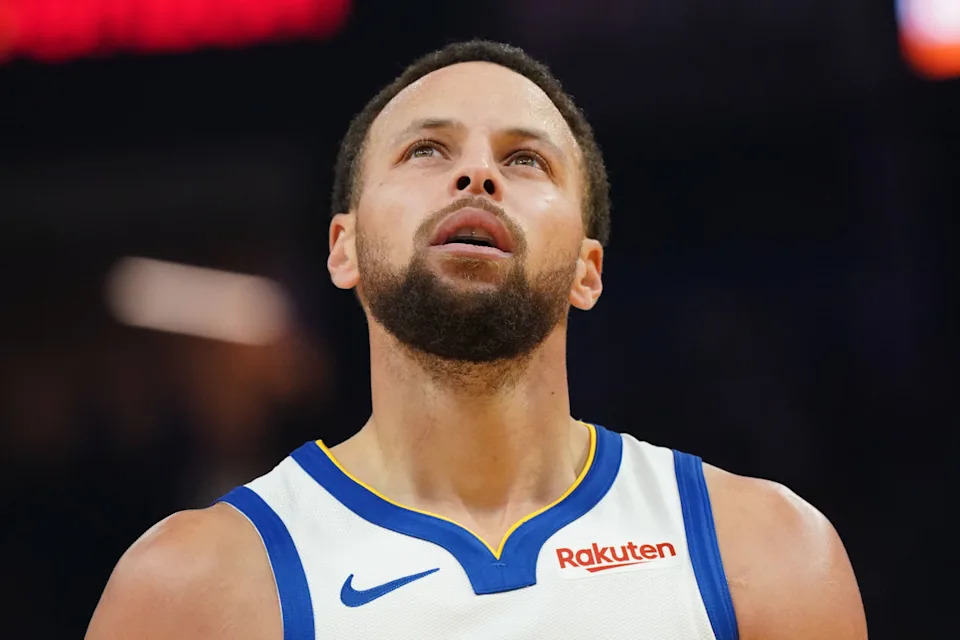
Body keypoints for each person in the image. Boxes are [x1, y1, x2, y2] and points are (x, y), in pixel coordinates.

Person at [86, 40, 867, 640]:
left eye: (524, 159)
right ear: (343, 247)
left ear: (588, 271)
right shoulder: (192, 590)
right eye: (427, 150)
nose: (477, 177)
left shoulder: (765, 558)